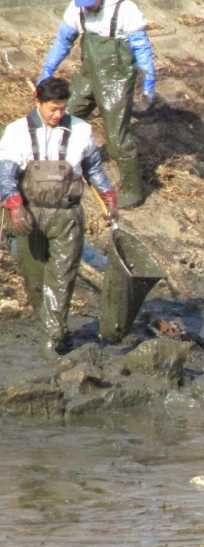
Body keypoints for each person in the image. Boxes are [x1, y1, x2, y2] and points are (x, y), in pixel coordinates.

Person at [0, 77, 117, 355]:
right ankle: (52, 329)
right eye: (53, 108)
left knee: (62, 279)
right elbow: (4, 175)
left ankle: (54, 338)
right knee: (35, 279)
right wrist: (14, 205)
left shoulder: (81, 130)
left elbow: (94, 169)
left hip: (67, 216)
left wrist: (109, 196)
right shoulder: (17, 132)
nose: (58, 114)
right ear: (38, 103)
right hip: (28, 214)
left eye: (63, 108)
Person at [38, 0, 157, 209]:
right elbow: (63, 41)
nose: (87, 8)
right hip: (89, 74)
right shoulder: (76, 9)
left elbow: (141, 47)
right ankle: (56, 166)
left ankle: (133, 190)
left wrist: (148, 83)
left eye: (91, 4)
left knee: (115, 139)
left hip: (116, 79)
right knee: (64, 116)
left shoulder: (124, 10)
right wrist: (47, 70)